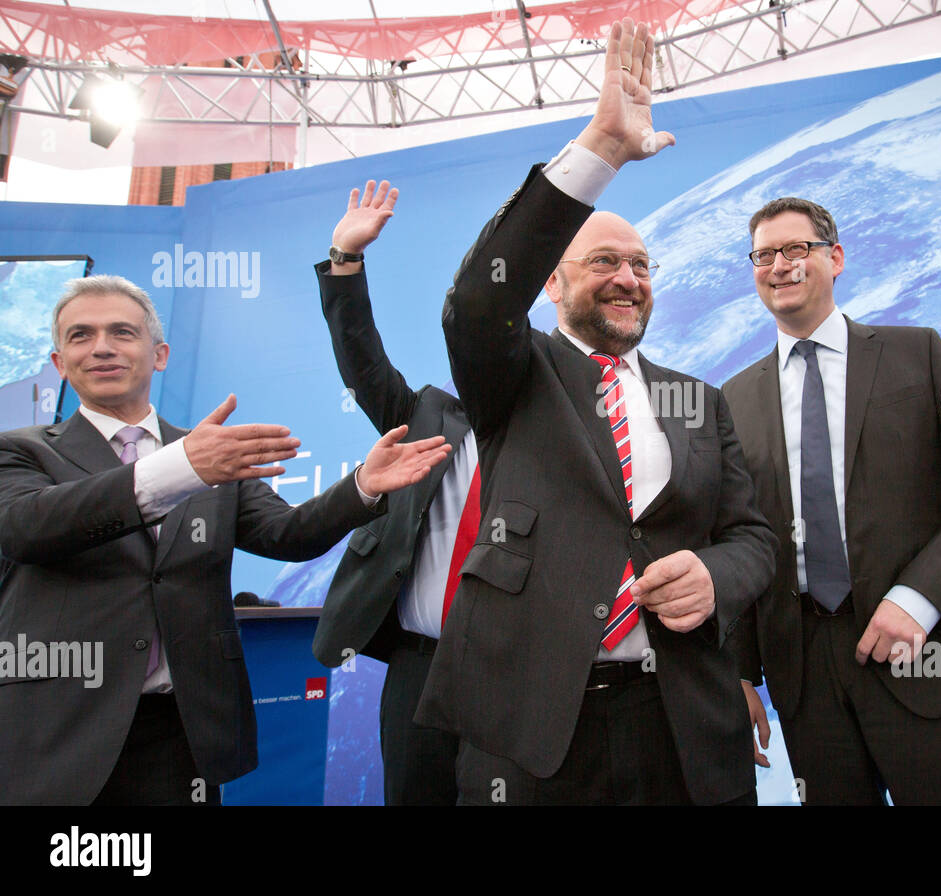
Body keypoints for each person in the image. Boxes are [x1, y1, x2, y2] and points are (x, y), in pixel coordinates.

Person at [415, 18, 778, 805]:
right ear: (552, 282)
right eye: (603, 261)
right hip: (537, 726)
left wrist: (714, 575)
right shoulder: (514, 372)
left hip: (683, 722)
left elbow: (752, 536)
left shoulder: (696, 399)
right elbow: (478, 301)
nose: (627, 278)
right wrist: (602, 149)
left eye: (642, 265)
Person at [0, 275, 450, 806]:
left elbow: (289, 533)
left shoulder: (209, 454)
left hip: (183, 734)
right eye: (80, 335)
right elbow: (27, 527)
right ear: (58, 364)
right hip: (61, 736)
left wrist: (361, 487)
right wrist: (178, 469)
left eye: (122, 332)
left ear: (159, 353)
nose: (101, 347)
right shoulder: (21, 451)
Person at [722, 197, 941, 805]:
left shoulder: (917, 353)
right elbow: (738, 538)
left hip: (929, 657)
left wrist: (919, 601)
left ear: (835, 258)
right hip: (806, 684)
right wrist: (740, 674)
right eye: (763, 255)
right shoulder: (731, 399)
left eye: (796, 249)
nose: (779, 265)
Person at [311, 181, 476, 805]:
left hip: (516, 664)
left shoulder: (551, 434)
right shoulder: (429, 415)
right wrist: (346, 260)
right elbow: (362, 363)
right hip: (420, 664)